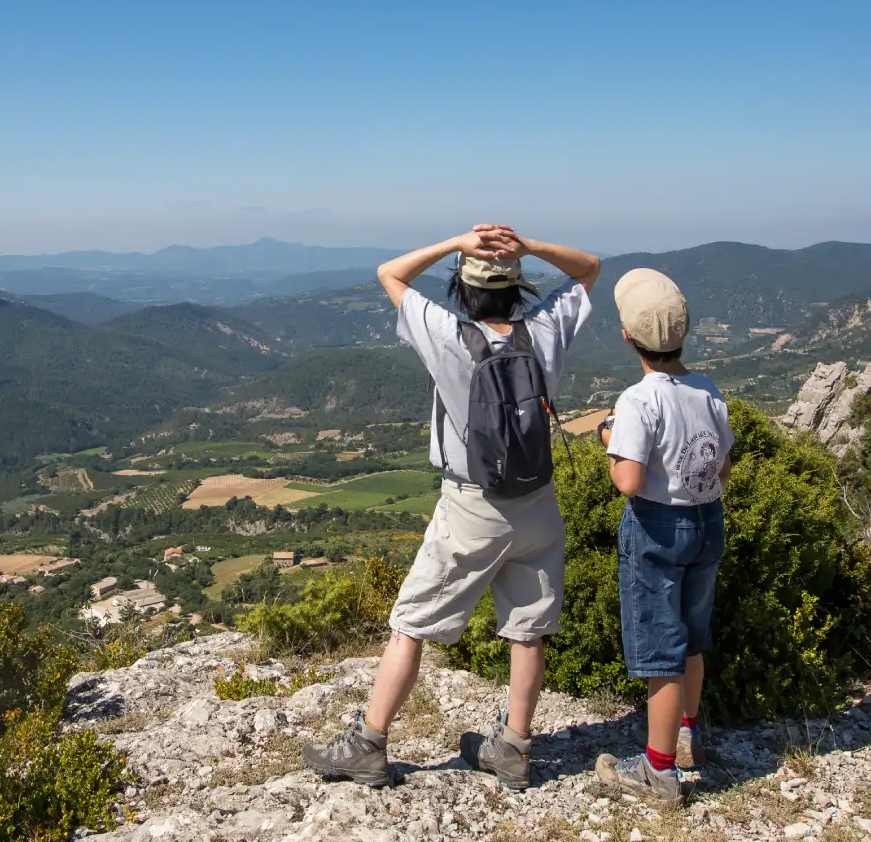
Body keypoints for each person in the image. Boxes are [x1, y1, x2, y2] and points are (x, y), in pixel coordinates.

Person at [301, 224, 600, 791]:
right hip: (538, 502)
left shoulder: (446, 334)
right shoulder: (544, 331)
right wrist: (528, 248)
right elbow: (589, 269)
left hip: (471, 505)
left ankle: (368, 744)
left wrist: (453, 243)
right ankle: (512, 748)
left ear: (462, 291)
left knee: (409, 624)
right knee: (527, 632)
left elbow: (389, 272)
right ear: (518, 290)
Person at [591, 267, 734, 802]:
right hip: (707, 522)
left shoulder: (637, 400)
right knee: (693, 639)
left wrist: (609, 438)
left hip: (655, 527)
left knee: (661, 650)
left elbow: (628, 481)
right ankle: (690, 735)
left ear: (628, 338)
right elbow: (722, 469)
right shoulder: (707, 390)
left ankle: (658, 769)